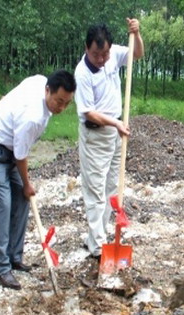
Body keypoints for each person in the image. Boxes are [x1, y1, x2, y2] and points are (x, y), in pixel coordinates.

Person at [0, 71, 76, 290]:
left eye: (67, 103)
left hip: (10, 145)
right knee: (3, 205)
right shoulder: (33, 117)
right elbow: (20, 156)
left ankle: (14, 256)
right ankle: (0, 268)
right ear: (47, 90)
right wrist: (27, 184)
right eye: (59, 101)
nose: (61, 108)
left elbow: (10, 96)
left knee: (22, 200)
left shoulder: (39, 81)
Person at [74, 19, 144, 261]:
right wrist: (115, 123)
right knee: (94, 190)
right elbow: (88, 113)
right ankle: (98, 246)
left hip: (116, 132)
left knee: (111, 188)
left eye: (104, 54)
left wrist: (137, 34)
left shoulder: (112, 55)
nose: (101, 59)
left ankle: (98, 236)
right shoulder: (82, 73)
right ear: (87, 47)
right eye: (96, 54)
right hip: (95, 135)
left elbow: (137, 54)